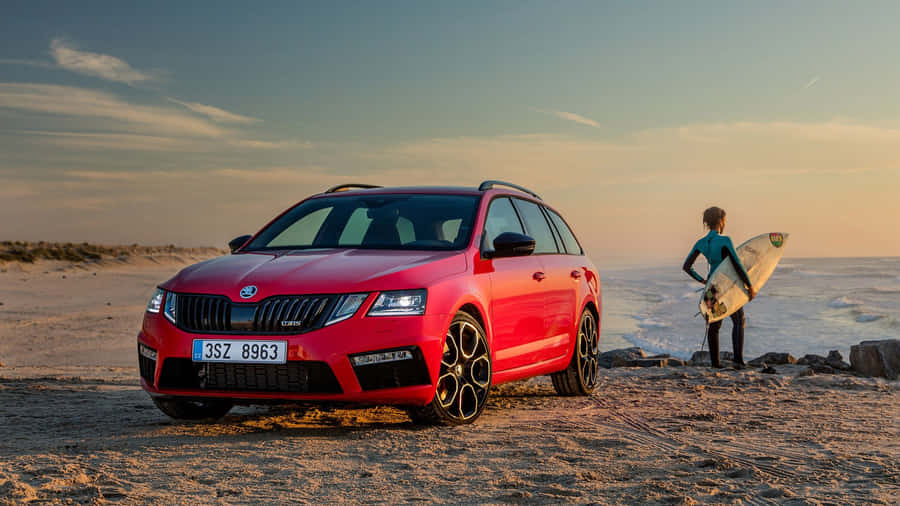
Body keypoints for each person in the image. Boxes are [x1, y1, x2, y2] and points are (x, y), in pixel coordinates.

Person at [683, 207, 756, 368]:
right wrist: (749, 286)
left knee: (714, 324)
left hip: (711, 287)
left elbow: (687, 266)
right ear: (721, 221)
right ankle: (738, 360)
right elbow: (737, 264)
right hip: (726, 285)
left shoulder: (701, 243)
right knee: (739, 320)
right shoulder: (725, 240)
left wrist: (703, 281)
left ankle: (715, 364)